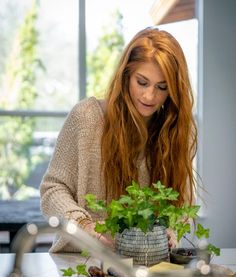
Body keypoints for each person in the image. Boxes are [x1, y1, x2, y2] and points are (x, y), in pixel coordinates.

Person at [40, 27, 197, 252]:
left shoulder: (178, 131)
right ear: (126, 76)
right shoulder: (87, 118)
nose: (149, 96)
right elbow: (52, 189)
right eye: (142, 82)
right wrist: (85, 225)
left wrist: (172, 231)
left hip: (147, 264)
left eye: (162, 87)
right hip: (82, 261)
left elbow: (182, 204)